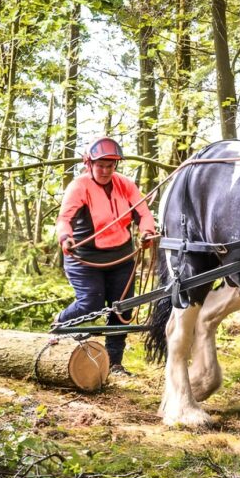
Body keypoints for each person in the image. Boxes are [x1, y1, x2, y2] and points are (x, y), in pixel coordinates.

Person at [53, 137, 157, 376]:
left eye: (111, 166)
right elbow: (64, 219)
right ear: (89, 164)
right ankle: (59, 325)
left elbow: (143, 214)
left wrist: (147, 232)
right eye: (100, 165)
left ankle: (114, 364)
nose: (106, 170)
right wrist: (65, 238)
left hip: (121, 258)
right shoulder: (78, 186)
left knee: (122, 309)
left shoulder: (126, 185)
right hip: (84, 259)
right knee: (91, 303)